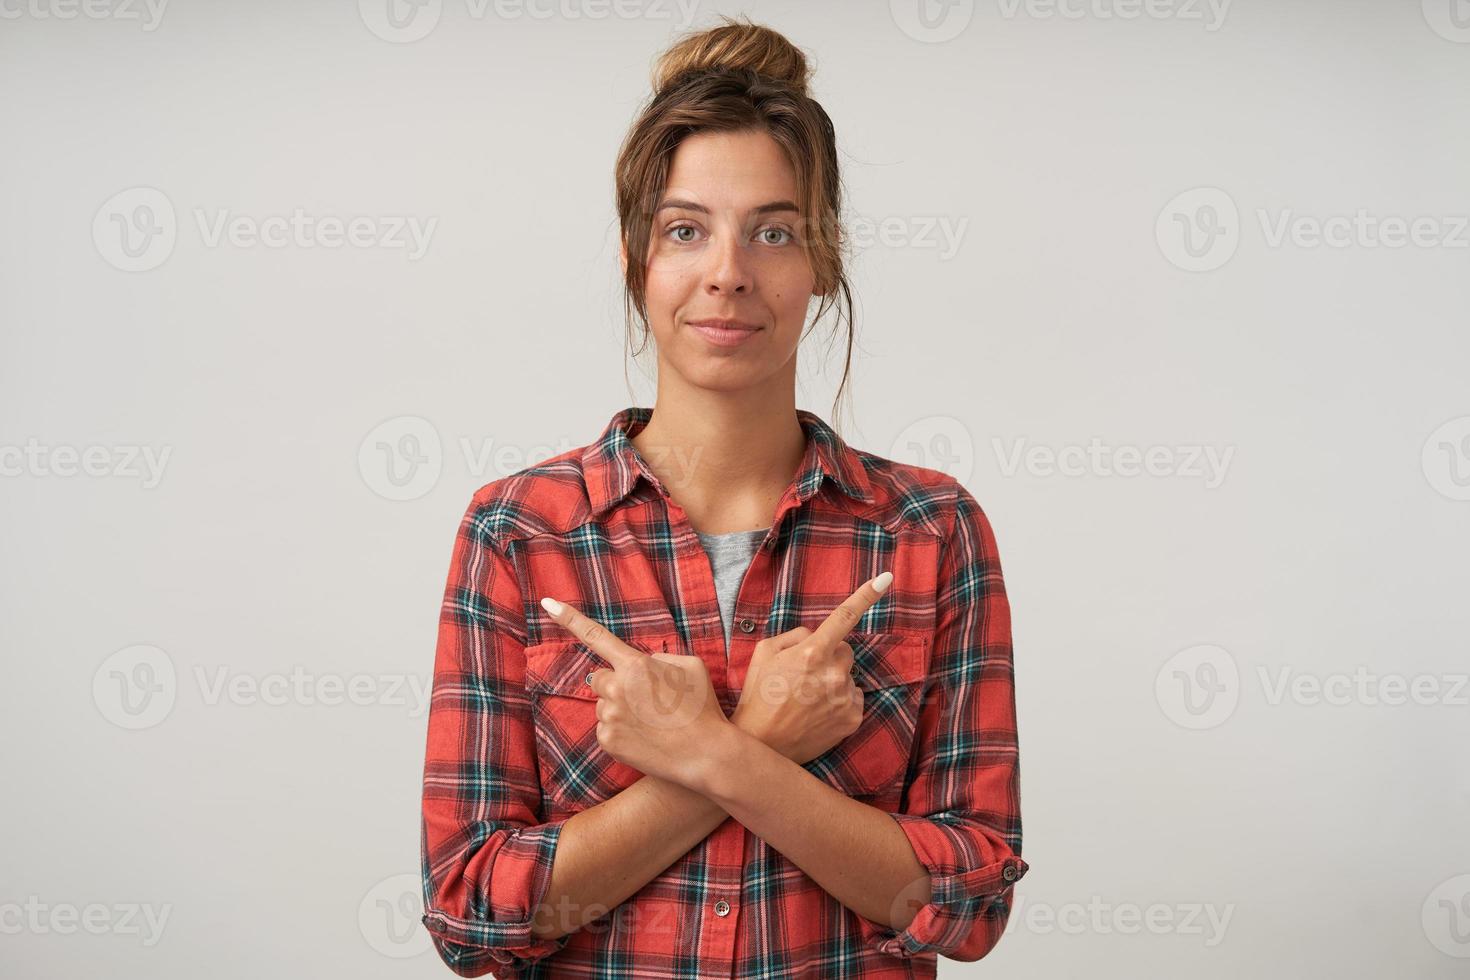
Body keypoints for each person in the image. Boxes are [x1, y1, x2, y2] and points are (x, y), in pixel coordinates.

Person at [418, 16, 1027, 978]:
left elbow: (969, 901)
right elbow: (470, 914)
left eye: (773, 231)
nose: (729, 272)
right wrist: (751, 744)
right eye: (686, 230)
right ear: (637, 261)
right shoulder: (521, 531)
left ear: (823, 262)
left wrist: (721, 757)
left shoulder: (930, 531)